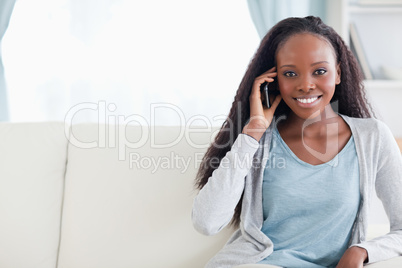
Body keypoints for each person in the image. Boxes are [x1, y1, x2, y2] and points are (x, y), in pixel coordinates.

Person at [192, 16, 402, 268]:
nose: (305, 85)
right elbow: (206, 222)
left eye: (320, 71)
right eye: (290, 73)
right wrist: (252, 133)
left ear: (338, 73)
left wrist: (362, 250)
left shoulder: (372, 137)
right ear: (274, 80)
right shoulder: (257, 140)